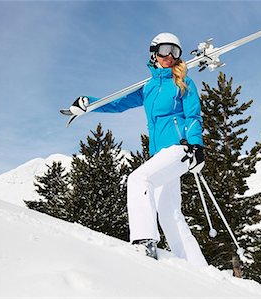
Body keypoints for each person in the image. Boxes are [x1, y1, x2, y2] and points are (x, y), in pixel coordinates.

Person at [69, 32, 208, 267]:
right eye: (165, 50)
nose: (170, 56)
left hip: (180, 148)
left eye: (175, 52)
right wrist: (90, 104)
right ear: (154, 53)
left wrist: (196, 146)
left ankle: (145, 242)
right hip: (161, 154)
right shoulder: (148, 88)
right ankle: (199, 269)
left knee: (138, 179)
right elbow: (118, 103)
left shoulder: (183, 82)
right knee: (169, 213)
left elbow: (193, 115)